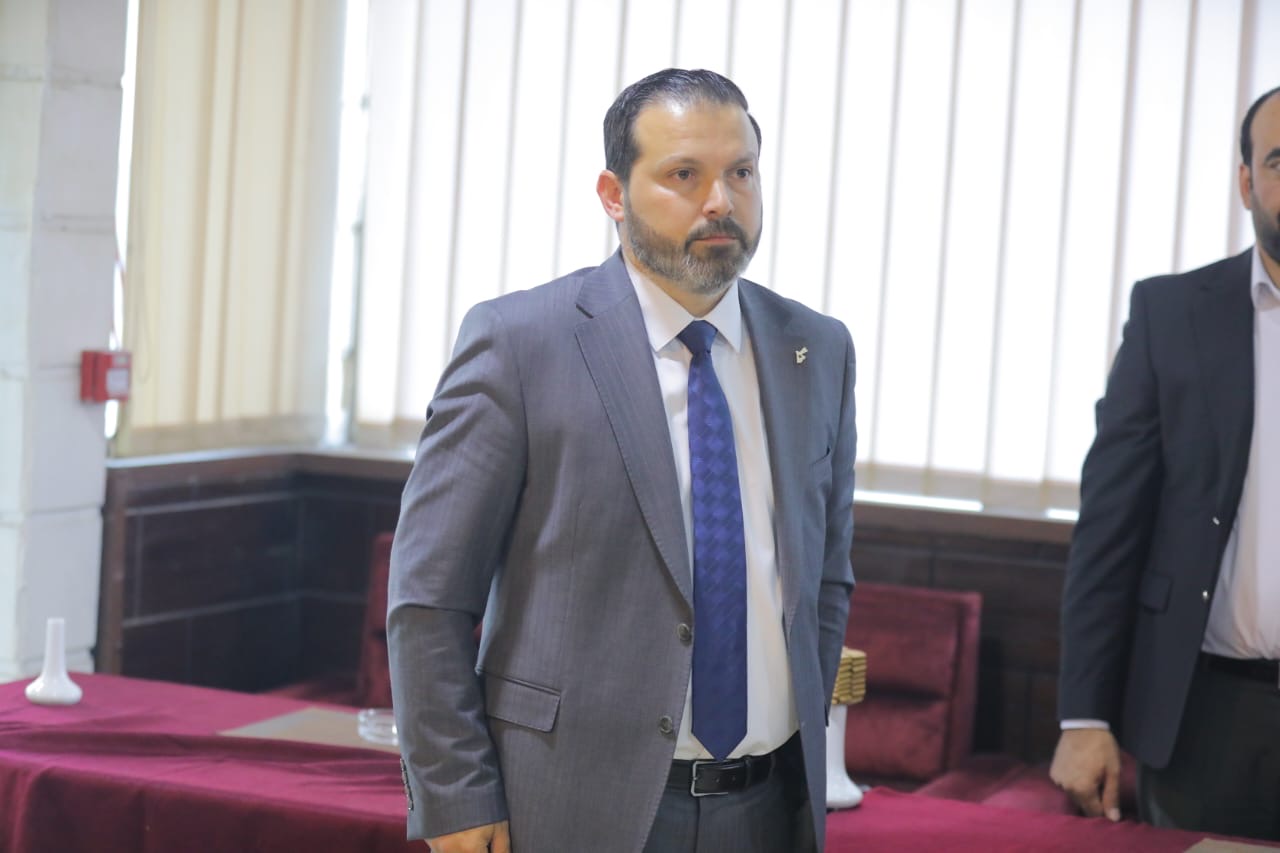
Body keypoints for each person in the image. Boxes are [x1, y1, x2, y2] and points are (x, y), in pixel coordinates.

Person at [387, 68, 856, 853]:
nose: (720, 201)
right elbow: (428, 597)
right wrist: (455, 794)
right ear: (613, 194)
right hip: (573, 800)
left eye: (741, 172)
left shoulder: (816, 348)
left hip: (771, 807)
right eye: (685, 175)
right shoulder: (519, 343)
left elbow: (826, 576)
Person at [1051, 84, 1280, 840]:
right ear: (1246, 180)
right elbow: (1110, 526)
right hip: (1205, 715)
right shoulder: (1171, 316)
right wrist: (1085, 715)